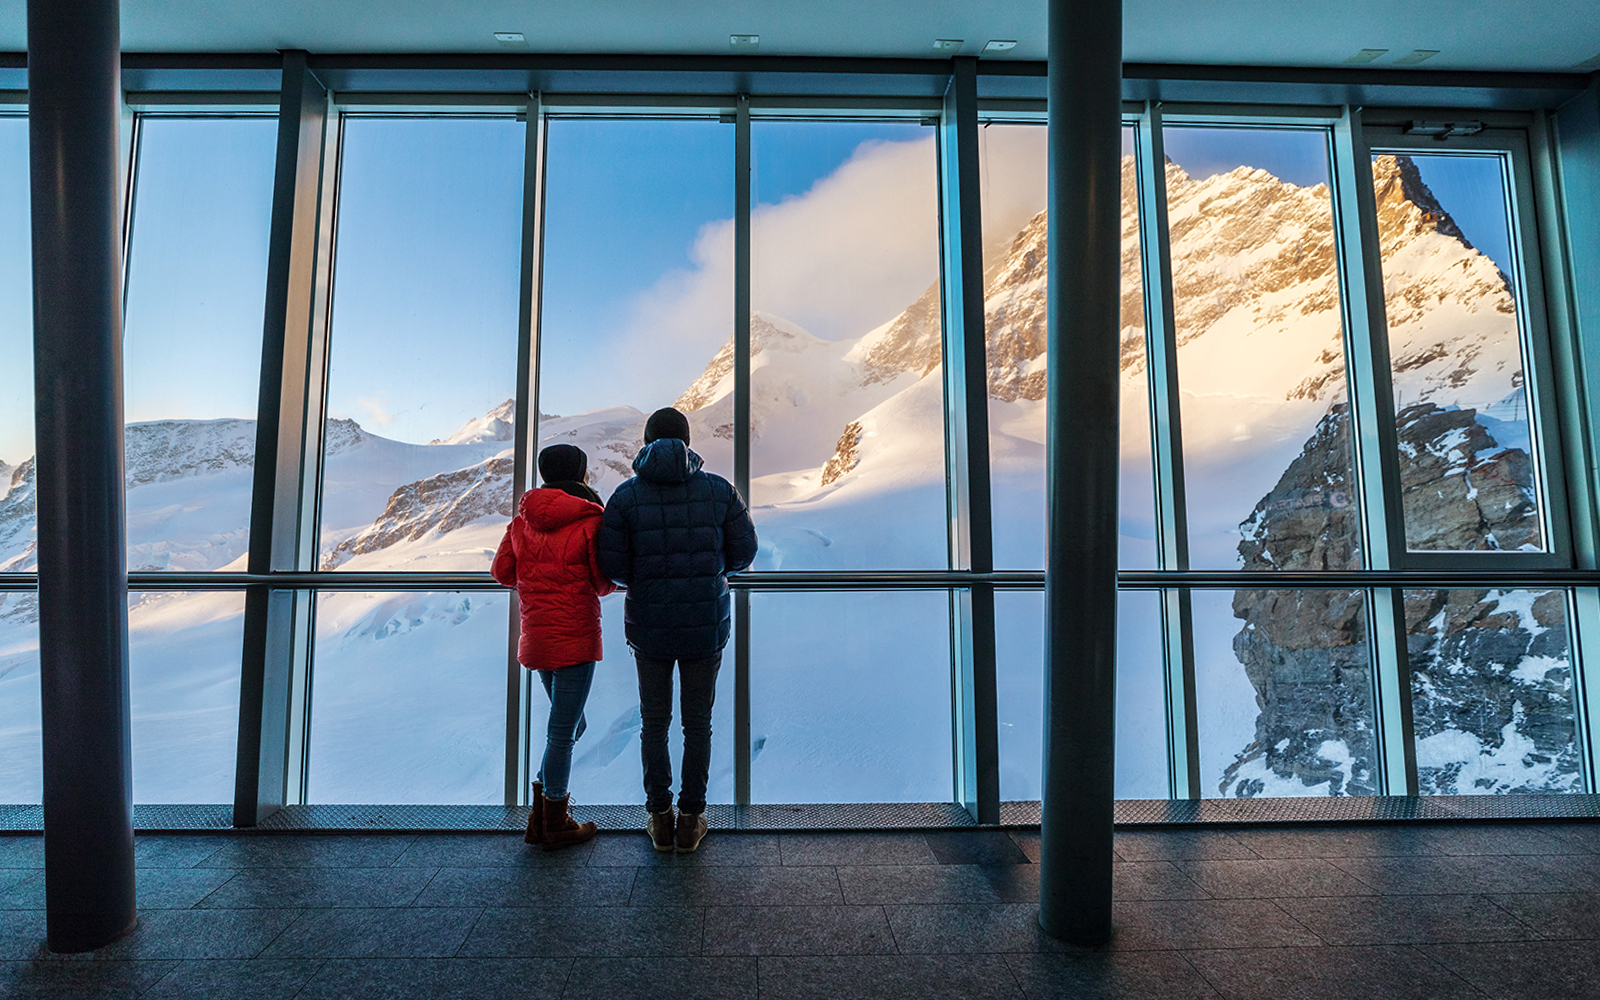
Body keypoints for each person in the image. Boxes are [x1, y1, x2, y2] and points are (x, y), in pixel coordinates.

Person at [598, 407, 758, 853]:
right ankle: (691, 821)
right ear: (688, 442)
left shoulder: (626, 496)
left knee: (654, 723)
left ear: (646, 442)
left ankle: (659, 818)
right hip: (705, 624)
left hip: (648, 624)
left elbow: (611, 563)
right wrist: (708, 570)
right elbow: (745, 552)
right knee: (698, 724)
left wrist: (648, 578)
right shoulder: (719, 491)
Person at [492, 443, 616, 851]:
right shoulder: (588, 521)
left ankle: (539, 816)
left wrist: (537, 580)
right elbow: (602, 583)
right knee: (563, 732)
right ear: (581, 473)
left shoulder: (521, 522)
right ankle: (555, 820)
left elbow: (502, 572)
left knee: (570, 726)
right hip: (576, 637)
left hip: (539, 636)